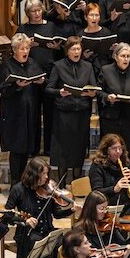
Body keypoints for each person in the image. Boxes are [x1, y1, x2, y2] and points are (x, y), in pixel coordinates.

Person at [5, 158, 79, 258]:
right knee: (44, 250)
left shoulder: (48, 189)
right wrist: (24, 220)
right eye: (43, 174)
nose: (47, 177)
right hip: (28, 234)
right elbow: (7, 214)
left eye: (47, 174)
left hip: (48, 230)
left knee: (66, 247)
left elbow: (57, 213)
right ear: (33, 174)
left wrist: (71, 210)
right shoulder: (18, 190)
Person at [46, 35, 97, 186]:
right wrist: (59, 92)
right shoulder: (58, 66)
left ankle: (76, 183)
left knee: (79, 147)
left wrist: (92, 93)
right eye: (73, 49)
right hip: (63, 113)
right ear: (67, 51)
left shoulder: (87, 66)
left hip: (81, 112)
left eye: (78, 49)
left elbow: (94, 87)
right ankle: (61, 183)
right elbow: (49, 89)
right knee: (63, 149)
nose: (76, 52)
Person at [0, 33, 44, 184]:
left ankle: (25, 182)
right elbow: (1, 89)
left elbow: (42, 79)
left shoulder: (32, 63)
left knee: (27, 148)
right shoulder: (6, 66)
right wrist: (16, 86)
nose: (25, 51)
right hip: (14, 114)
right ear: (14, 50)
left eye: (27, 48)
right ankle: (15, 182)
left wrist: (41, 81)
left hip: (30, 112)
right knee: (17, 149)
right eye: (22, 48)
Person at [19, 0, 61, 157]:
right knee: (32, 112)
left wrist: (56, 47)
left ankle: (49, 148)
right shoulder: (23, 28)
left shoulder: (50, 26)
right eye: (33, 11)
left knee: (50, 111)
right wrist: (26, 45)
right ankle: (33, 148)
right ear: (28, 13)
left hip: (49, 73)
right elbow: (15, 48)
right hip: (29, 74)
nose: (37, 14)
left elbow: (59, 47)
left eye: (38, 10)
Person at [97, 43, 130, 158]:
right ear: (115, 56)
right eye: (122, 56)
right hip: (111, 117)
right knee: (109, 149)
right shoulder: (106, 70)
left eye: (128, 56)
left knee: (128, 149)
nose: (126, 59)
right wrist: (107, 97)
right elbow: (99, 92)